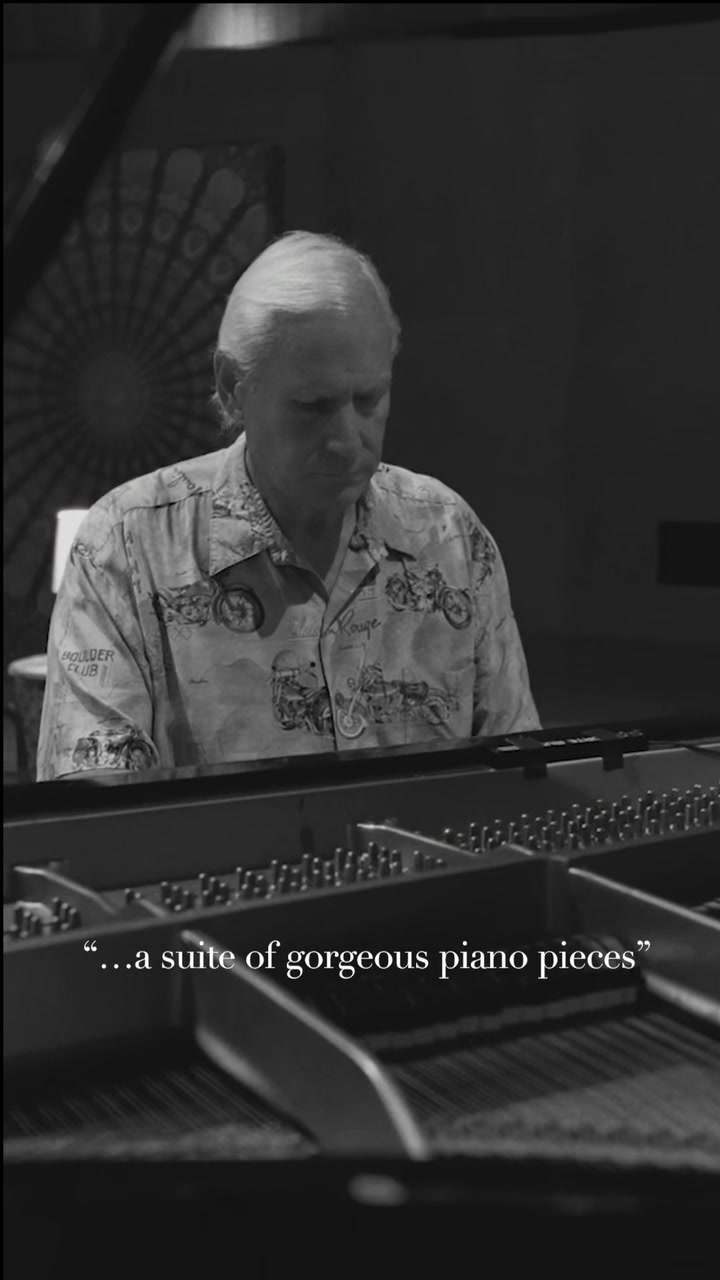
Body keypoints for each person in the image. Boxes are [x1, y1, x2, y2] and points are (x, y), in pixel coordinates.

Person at [37, 231, 540, 781]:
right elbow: (95, 811)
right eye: (313, 406)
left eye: (369, 399)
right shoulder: (126, 548)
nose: (347, 440)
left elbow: (523, 777)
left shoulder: (448, 534)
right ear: (233, 386)